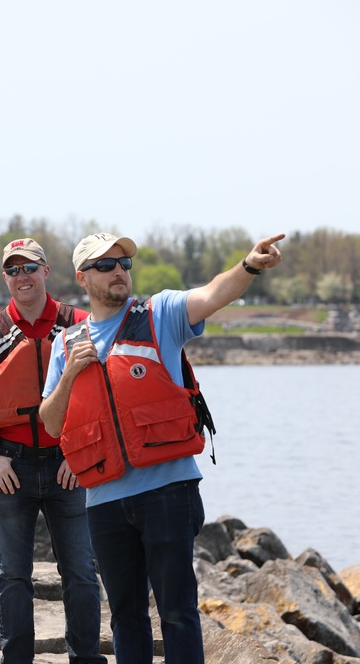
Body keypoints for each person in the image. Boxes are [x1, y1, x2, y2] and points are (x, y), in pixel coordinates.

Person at [39, 232, 284, 663]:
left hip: (168, 492)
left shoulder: (160, 313)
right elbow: (51, 422)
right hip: (105, 501)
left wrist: (248, 266)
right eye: (105, 265)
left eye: (124, 264)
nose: (119, 271)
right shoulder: (65, 344)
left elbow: (212, 294)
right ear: (83, 278)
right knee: (126, 617)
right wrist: (69, 375)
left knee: (176, 612)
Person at [0, 238, 106, 664]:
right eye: (13, 270)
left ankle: (86, 658)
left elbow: (99, 396)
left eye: (29, 268)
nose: (22, 277)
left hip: (68, 468)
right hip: (11, 468)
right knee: (12, 577)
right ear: (5, 278)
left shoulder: (78, 324)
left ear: (46, 271)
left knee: (80, 573)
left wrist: (81, 456)